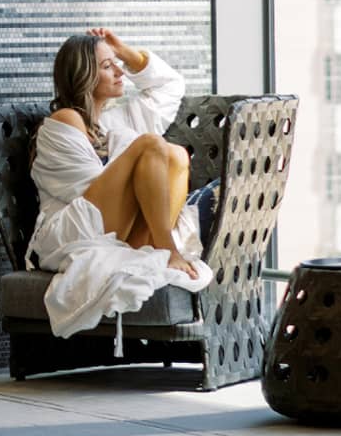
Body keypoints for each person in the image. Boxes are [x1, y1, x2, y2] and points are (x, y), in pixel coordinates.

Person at [27, 28, 212, 342]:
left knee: (176, 155)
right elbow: (86, 192)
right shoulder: (64, 121)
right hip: (71, 230)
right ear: (83, 75)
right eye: (107, 66)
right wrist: (139, 162)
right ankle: (167, 249)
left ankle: (154, 245)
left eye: (117, 63)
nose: (119, 71)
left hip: (111, 228)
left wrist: (125, 52)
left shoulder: (116, 121)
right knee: (152, 145)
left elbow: (170, 86)